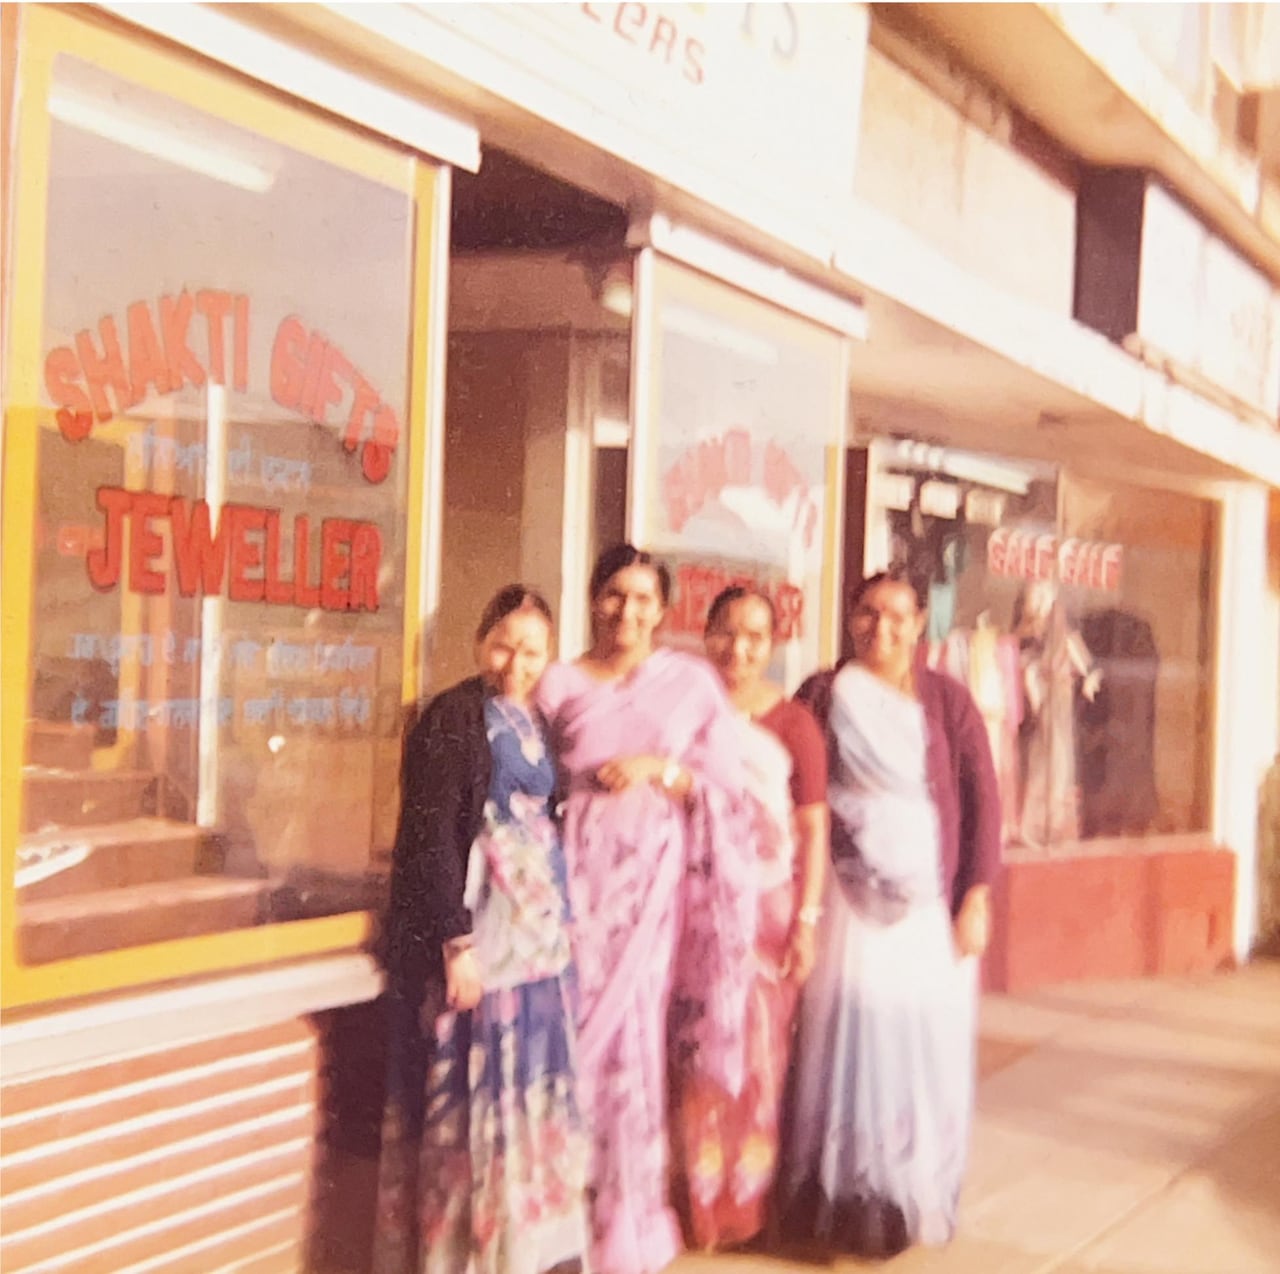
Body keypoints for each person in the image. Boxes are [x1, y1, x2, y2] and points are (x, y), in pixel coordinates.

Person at [535, 544, 757, 1274]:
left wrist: (661, 770)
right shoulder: (558, 682)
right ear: (592, 598)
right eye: (613, 596)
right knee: (563, 1047)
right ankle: (554, 1226)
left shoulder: (689, 685)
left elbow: (730, 793)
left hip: (649, 898)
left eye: (641, 600)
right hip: (571, 890)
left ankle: (623, 1234)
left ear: (662, 611)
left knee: (630, 1054)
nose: (625, 612)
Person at [774, 568, 1002, 1259]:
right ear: (850, 619)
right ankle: (840, 1196)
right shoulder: (822, 692)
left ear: (919, 625)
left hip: (927, 902)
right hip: (845, 898)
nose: (883, 628)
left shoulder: (947, 700)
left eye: (899, 615)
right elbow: (786, 777)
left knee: (916, 1046)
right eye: (870, 613)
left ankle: (901, 1194)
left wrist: (977, 896)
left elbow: (983, 799)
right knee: (843, 1040)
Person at [374, 585, 589, 1274]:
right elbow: (430, 837)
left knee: (529, 1086)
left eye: (532, 651)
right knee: (475, 1089)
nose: (514, 663)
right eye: (503, 644)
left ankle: (528, 1248)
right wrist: (454, 942)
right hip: (483, 933)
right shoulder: (453, 716)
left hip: (538, 942)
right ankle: (469, 1251)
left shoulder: (539, 719)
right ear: (478, 640)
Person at [671, 586, 829, 1250]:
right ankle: (695, 1208)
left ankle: (747, 1211)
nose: (740, 649)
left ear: (774, 644)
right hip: (696, 911)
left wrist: (807, 921)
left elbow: (812, 827)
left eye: (756, 637)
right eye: (727, 632)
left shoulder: (794, 723)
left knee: (761, 1064)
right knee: (697, 1060)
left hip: (768, 911)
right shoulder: (683, 715)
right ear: (705, 634)